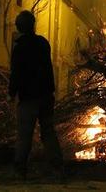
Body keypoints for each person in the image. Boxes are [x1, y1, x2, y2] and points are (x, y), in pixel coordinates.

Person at [9, 10, 63, 180]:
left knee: (25, 134)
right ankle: (57, 168)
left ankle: (20, 170)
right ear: (33, 25)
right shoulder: (43, 43)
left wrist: (12, 93)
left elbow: (16, 73)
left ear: (19, 27)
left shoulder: (20, 48)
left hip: (29, 98)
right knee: (48, 131)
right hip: (46, 95)